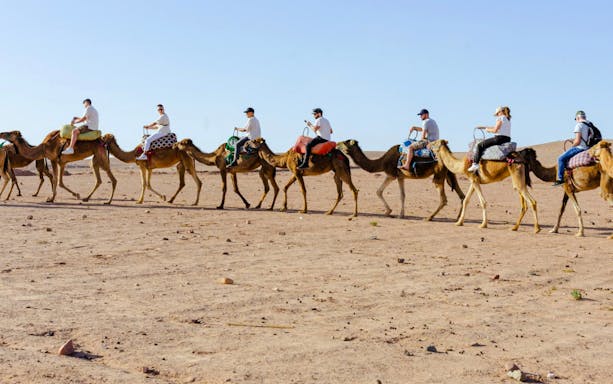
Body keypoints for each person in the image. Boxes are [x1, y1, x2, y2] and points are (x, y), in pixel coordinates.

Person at [552, 110, 592, 186]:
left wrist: (573, 145)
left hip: (580, 148)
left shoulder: (579, 125)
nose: (576, 121)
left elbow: (577, 141)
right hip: (588, 148)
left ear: (577, 118)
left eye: (576, 119)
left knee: (560, 158)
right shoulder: (589, 124)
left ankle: (560, 179)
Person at [467, 106, 512, 173]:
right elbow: (496, 127)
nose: (497, 115)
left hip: (499, 138)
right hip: (507, 139)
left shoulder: (500, 118)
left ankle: (475, 164)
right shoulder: (507, 119)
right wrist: (484, 127)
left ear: (500, 112)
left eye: (497, 114)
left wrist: (488, 130)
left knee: (479, 145)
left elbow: (495, 130)